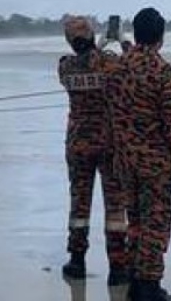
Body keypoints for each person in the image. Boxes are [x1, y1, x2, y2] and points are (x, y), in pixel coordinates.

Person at [106, 8, 171, 301]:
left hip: (123, 160)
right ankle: (149, 288)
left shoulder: (116, 68)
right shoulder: (163, 72)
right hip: (155, 163)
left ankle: (135, 282)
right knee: (156, 226)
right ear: (162, 37)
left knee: (137, 222)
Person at [58, 14, 128, 285]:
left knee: (79, 204)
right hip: (110, 142)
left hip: (78, 143)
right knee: (115, 205)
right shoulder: (110, 63)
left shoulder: (65, 67)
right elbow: (131, 64)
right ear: (91, 36)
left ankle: (77, 260)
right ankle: (118, 267)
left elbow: (85, 64)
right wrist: (120, 40)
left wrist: (97, 47)